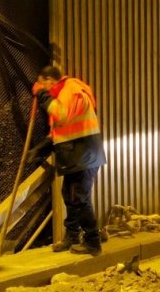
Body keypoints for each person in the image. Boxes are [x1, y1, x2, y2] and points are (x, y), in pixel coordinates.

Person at [32, 65, 107, 255]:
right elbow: (60, 131)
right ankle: (72, 236)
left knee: (80, 198)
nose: (42, 87)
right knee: (69, 194)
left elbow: (61, 115)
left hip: (83, 154)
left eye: (43, 84)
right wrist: (41, 148)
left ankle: (93, 242)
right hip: (77, 154)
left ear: (50, 80)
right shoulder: (64, 94)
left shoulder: (71, 89)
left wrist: (41, 95)